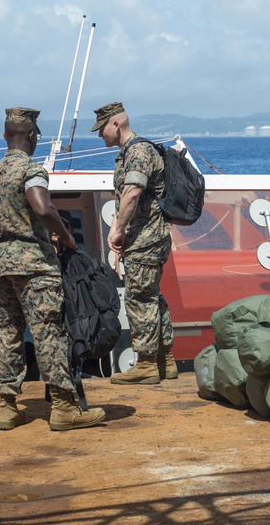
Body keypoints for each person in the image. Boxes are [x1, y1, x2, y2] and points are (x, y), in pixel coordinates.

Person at [0, 107, 104, 431]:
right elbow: (42, 206)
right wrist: (63, 235)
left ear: (6, 136)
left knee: (8, 334)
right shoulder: (31, 170)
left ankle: (7, 407)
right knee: (49, 331)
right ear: (32, 136)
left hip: (0, 264)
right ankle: (63, 407)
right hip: (34, 265)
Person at [92, 101, 177, 384]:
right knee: (151, 295)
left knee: (139, 297)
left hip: (146, 237)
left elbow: (131, 193)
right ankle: (165, 360)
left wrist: (118, 230)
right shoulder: (131, 151)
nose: (99, 135)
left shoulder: (139, 151)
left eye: (102, 128)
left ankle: (148, 364)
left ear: (116, 124)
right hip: (148, 236)